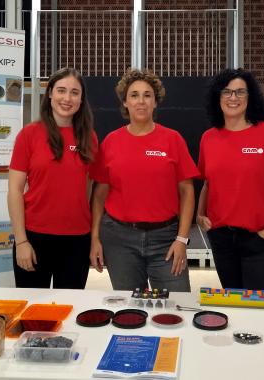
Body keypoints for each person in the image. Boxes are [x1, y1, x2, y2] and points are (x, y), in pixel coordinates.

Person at [89, 69, 199, 292]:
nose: (141, 101)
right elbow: (99, 196)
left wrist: (182, 239)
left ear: (155, 102)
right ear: (125, 102)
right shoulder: (111, 142)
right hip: (119, 240)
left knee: (175, 306)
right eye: (134, 95)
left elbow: (187, 192)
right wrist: (95, 238)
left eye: (147, 95)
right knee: (130, 310)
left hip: (166, 239)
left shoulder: (172, 140)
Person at [197, 68, 264, 293]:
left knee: (259, 308)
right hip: (222, 239)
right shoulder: (209, 138)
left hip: (259, 239)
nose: (233, 98)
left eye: (240, 92)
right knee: (234, 303)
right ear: (218, 97)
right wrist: (199, 214)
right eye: (227, 92)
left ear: (250, 97)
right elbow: (207, 182)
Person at [8, 67, 97, 289]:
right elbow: (15, 191)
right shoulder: (29, 135)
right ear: (50, 94)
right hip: (34, 238)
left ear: (81, 99)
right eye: (61, 90)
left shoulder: (89, 137)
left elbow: (87, 188)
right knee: (31, 314)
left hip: (77, 240)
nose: (67, 98)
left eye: (75, 92)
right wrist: (21, 241)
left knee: (68, 312)